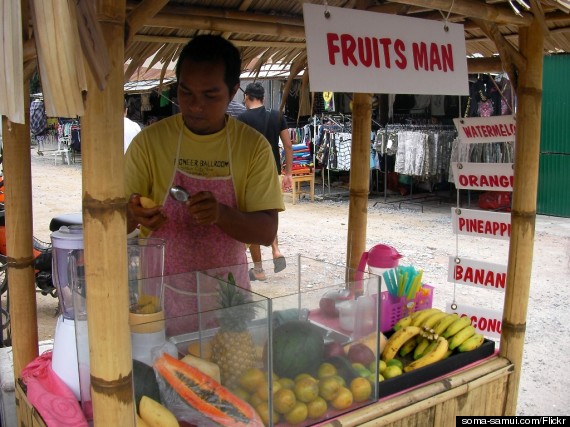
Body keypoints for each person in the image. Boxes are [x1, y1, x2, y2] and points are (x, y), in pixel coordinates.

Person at [125, 35, 284, 332]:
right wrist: (132, 215)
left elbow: (266, 232)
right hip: (159, 298)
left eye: (210, 96)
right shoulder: (149, 143)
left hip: (227, 303)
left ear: (233, 91)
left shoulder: (252, 148)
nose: (195, 106)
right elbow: (113, 221)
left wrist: (221, 215)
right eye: (186, 93)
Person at [237, 82, 293, 281]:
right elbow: (288, 144)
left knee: (253, 220)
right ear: (263, 98)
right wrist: (289, 173)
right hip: (274, 173)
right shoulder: (277, 116)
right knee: (269, 215)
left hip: (251, 176)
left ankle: (259, 270)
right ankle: (276, 250)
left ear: (248, 96)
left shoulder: (242, 119)